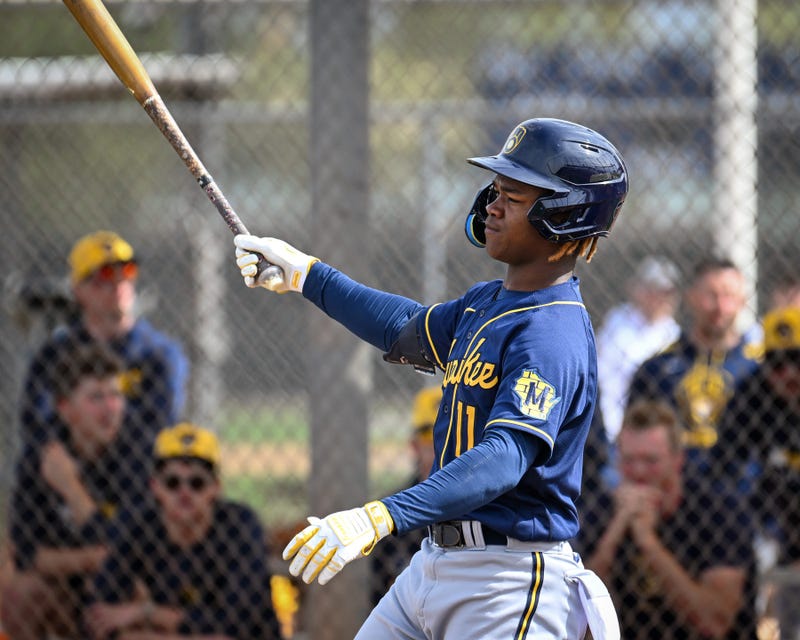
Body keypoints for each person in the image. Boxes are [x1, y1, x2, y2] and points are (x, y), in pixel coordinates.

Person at [233, 117, 628, 639]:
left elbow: (505, 457)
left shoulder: (552, 332)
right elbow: (405, 327)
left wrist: (380, 516)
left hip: (507, 583)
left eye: (514, 194)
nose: (492, 203)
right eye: (496, 189)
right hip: (432, 565)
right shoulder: (488, 303)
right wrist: (307, 275)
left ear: (564, 214)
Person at [576, 399, 758, 639]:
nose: (639, 472)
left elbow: (713, 624)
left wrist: (647, 541)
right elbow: (581, 620)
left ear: (678, 459)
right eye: (629, 460)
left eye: (651, 461)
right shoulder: (604, 511)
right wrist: (616, 530)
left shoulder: (719, 511)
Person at [1, 342, 146, 640]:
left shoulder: (135, 452)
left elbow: (127, 552)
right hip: (62, 585)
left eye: (115, 396)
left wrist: (70, 487)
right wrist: (93, 558)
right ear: (65, 408)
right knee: (21, 590)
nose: (110, 408)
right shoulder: (42, 455)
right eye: (96, 397)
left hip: (120, 589)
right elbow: (26, 553)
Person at [85, 422, 282, 640]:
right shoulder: (139, 524)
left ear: (216, 487)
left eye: (197, 483)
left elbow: (234, 623)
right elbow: (100, 614)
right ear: (155, 487)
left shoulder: (240, 526)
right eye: (172, 483)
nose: (184, 493)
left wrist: (146, 613)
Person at [19, 230, 189, 460]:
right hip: (73, 462)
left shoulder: (159, 353)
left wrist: (87, 421)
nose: (118, 284)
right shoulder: (56, 354)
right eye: (104, 276)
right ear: (78, 290)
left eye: (127, 272)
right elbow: (36, 421)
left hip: (136, 469)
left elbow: (160, 422)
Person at [710, 306, 800, 639]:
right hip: (768, 520)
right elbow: (724, 467)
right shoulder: (752, 394)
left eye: (797, 361)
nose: (788, 374)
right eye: (777, 364)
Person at [626, 256, 760, 466]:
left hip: (744, 488)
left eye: (729, 296)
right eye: (711, 295)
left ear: (743, 301)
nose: (720, 306)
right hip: (673, 484)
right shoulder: (658, 368)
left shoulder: (757, 368)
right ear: (691, 297)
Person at [596, 255, 681, 443]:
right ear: (637, 289)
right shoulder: (618, 321)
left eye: (665, 292)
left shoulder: (673, 334)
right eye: (652, 290)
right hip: (608, 417)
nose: (658, 298)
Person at [370, 385, 440, 605]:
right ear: (415, 446)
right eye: (433, 442)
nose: (444, 452)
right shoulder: (391, 516)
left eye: (452, 440)